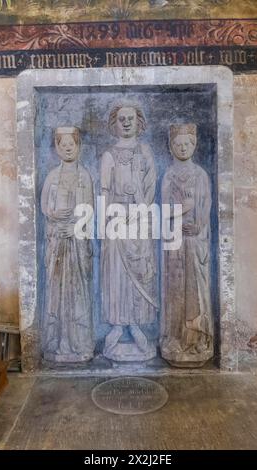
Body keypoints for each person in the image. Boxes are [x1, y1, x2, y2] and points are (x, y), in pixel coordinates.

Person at [100, 103, 158, 361]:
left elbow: (150, 185)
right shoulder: (109, 154)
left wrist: (140, 209)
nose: (126, 123)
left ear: (139, 122)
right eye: (121, 119)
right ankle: (119, 325)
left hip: (138, 222)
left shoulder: (145, 151)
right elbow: (103, 191)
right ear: (115, 123)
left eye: (130, 119)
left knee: (140, 275)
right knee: (116, 277)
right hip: (116, 223)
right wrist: (103, 225)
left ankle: (136, 325)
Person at [160, 123, 213, 366]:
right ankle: (174, 338)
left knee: (196, 291)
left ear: (194, 145)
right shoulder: (169, 175)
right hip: (175, 242)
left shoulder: (200, 174)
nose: (182, 147)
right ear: (171, 147)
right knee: (175, 291)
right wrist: (182, 211)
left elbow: (205, 209)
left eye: (187, 143)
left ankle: (196, 340)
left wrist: (197, 225)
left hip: (194, 242)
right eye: (178, 144)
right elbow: (163, 209)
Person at [41, 126, 94, 363]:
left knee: (78, 293)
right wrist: (55, 218)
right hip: (58, 244)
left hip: (77, 244)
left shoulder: (85, 176)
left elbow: (90, 210)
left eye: (71, 144)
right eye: (63, 145)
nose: (68, 149)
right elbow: (45, 207)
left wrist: (73, 227)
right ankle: (58, 341)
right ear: (56, 148)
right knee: (57, 292)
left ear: (78, 145)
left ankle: (79, 342)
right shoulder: (53, 176)